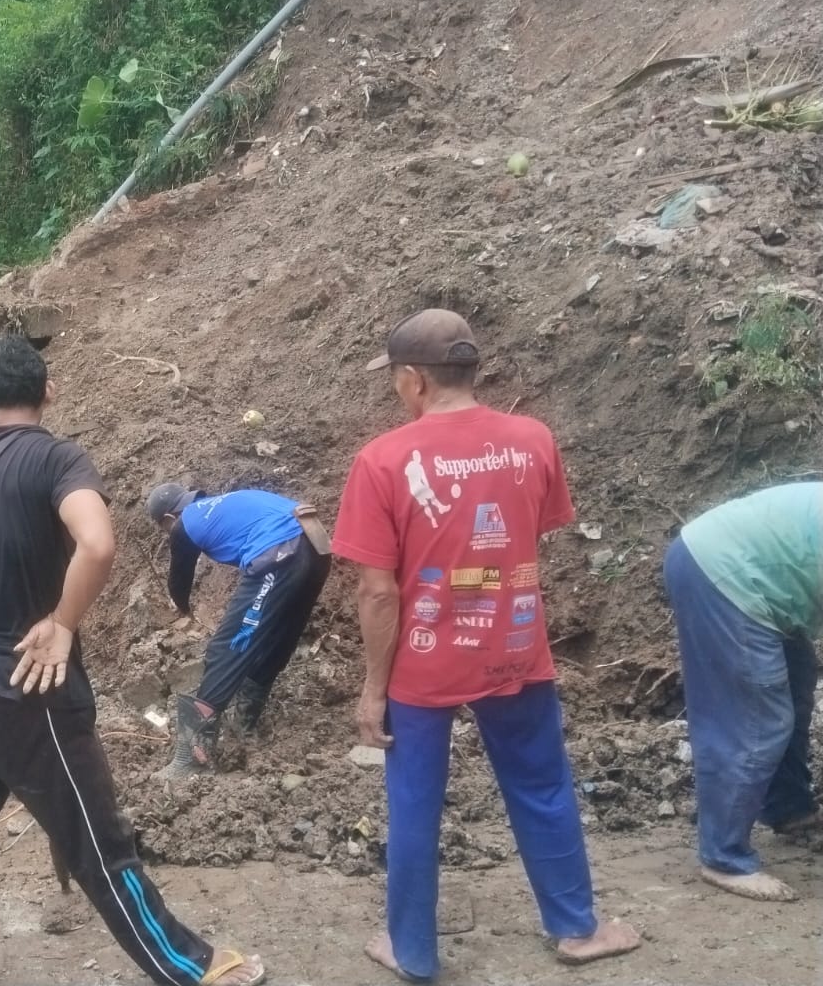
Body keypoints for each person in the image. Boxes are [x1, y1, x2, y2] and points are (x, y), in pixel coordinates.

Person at [0, 335, 264, 986]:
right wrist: (62, 624)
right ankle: (192, 967)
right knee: (102, 845)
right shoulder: (56, 459)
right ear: (49, 392)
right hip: (26, 687)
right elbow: (97, 545)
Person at [330, 308, 640, 981]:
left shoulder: (382, 460)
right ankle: (578, 929)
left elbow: (378, 593)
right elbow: (527, 534)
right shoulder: (533, 440)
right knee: (542, 785)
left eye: (395, 378)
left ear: (413, 379)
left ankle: (413, 951)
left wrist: (373, 691)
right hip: (515, 648)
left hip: (423, 664)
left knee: (414, 802)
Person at [663, 482, 821, 902]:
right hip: (722, 571)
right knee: (756, 717)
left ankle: (788, 807)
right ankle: (723, 857)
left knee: (797, 682)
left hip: (755, 571)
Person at [145, 483, 331, 775]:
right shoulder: (223, 504)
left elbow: (179, 581)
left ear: (169, 518)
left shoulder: (183, 524)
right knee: (276, 640)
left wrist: (181, 608)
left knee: (228, 647)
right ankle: (244, 726)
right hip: (316, 546)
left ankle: (191, 759)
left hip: (279, 552)